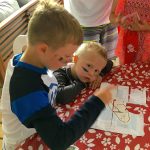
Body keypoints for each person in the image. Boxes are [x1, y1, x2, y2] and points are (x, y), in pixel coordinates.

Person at [0, 0, 113, 150]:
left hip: (43, 129)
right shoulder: (26, 88)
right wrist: (97, 102)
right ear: (43, 49)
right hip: (24, 143)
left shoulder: (36, 60)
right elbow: (59, 140)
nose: (68, 62)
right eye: (63, 58)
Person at [109, 0, 150, 64]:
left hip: (147, 47)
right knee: (127, 71)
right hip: (126, 42)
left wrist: (146, 27)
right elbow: (112, 15)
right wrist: (117, 20)